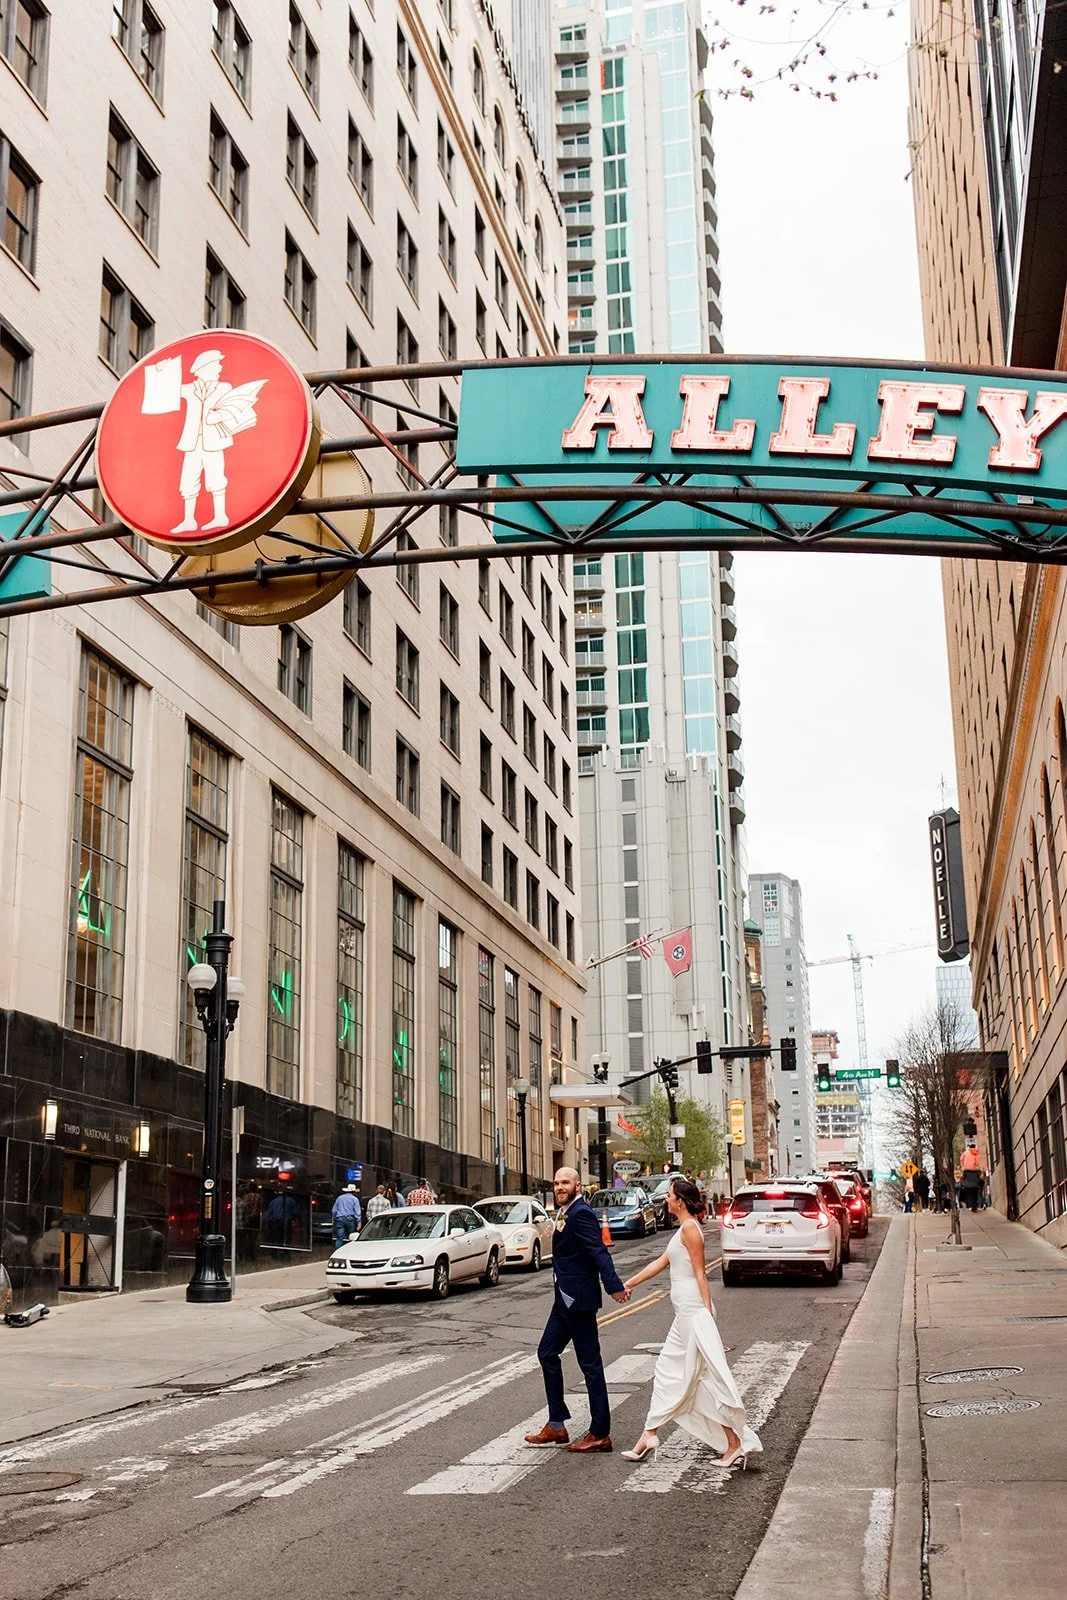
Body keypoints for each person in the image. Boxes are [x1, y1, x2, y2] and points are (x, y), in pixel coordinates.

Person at [621, 1176, 762, 1471]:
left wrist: (706, 1312)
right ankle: (649, 1434)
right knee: (672, 1372)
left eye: (669, 1195)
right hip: (683, 1313)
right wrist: (628, 1284)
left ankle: (734, 1443)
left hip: (693, 1311)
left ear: (680, 1202)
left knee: (703, 1378)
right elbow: (661, 1262)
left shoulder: (690, 1230)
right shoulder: (682, 1230)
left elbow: (700, 1273)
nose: (666, 1199)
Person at [524, 1166, 630, 1453]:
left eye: (565, 1182)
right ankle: (557, 1425)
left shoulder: (581, 1213)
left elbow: (598, 1251)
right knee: (546, 1353)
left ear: (578, 1185)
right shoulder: (566, 1211)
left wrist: (615, 1286)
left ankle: (599, 1433)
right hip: (564, 1299)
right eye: (556, 1182)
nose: (560, 1186)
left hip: (578, 1302)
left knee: (590, 1366)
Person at [331, 1183, 362, 1248]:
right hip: (350, 1218)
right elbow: (357, 1212)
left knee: (339, 1238)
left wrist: (335, 1218)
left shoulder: (339, 1198)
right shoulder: (355, 1199)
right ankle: (349, 1250)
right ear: (354, 1191)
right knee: (351, 1237)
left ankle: (338, 1251)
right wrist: (359, 1223)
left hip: (340, 1218)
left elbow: (334, 1210)